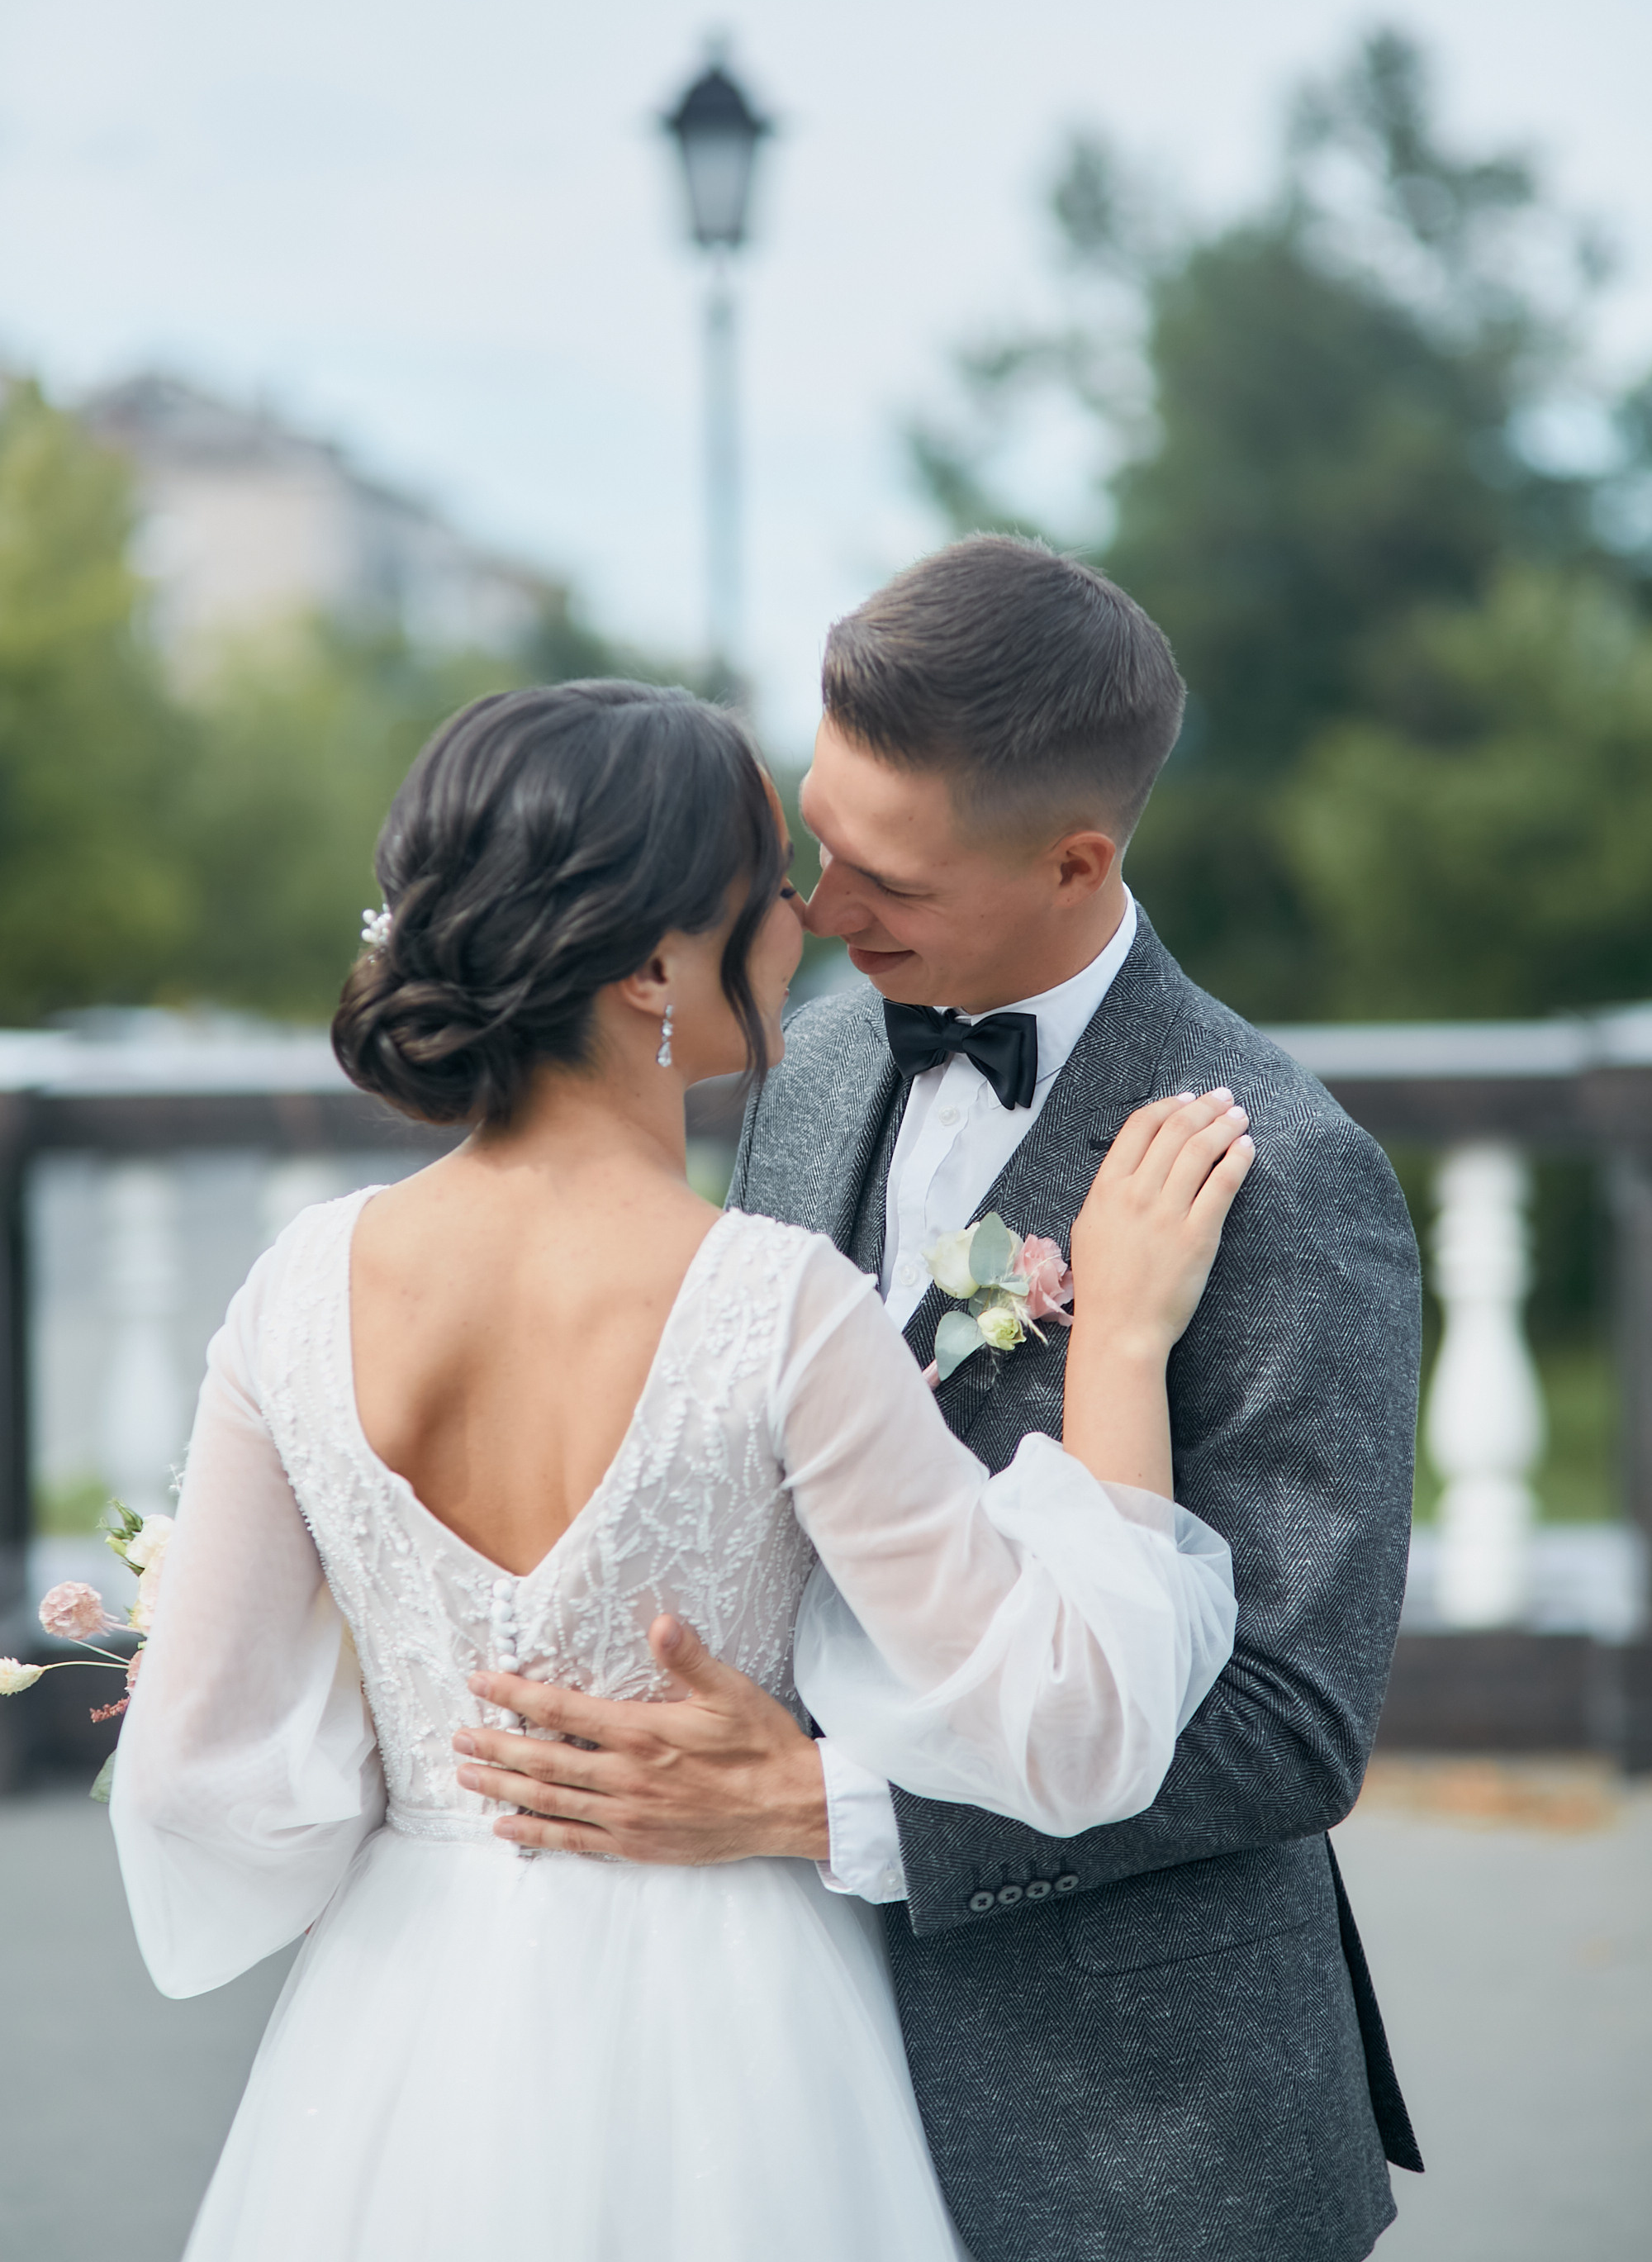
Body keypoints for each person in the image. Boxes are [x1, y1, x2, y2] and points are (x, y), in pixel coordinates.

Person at [111, 677, 1251, 2262]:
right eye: (769, 887)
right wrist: (1120, 1340)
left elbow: (192, 1782)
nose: (807, 917)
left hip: (401, 2024)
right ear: (658, 963)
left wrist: (436, 1765)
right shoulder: (771, 1307)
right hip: (735, 2024)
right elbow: (1070, 1726)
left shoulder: (295, 1290)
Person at [460, 539, 1424, 2262]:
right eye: (818, 840)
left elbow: (1291, 1726)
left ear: (1075, 861)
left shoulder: (1286, 1173)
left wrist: (815, 1807)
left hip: (1144, 2133)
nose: (820, 911)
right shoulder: (809, 1051)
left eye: (883, 874)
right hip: (784, 2077)